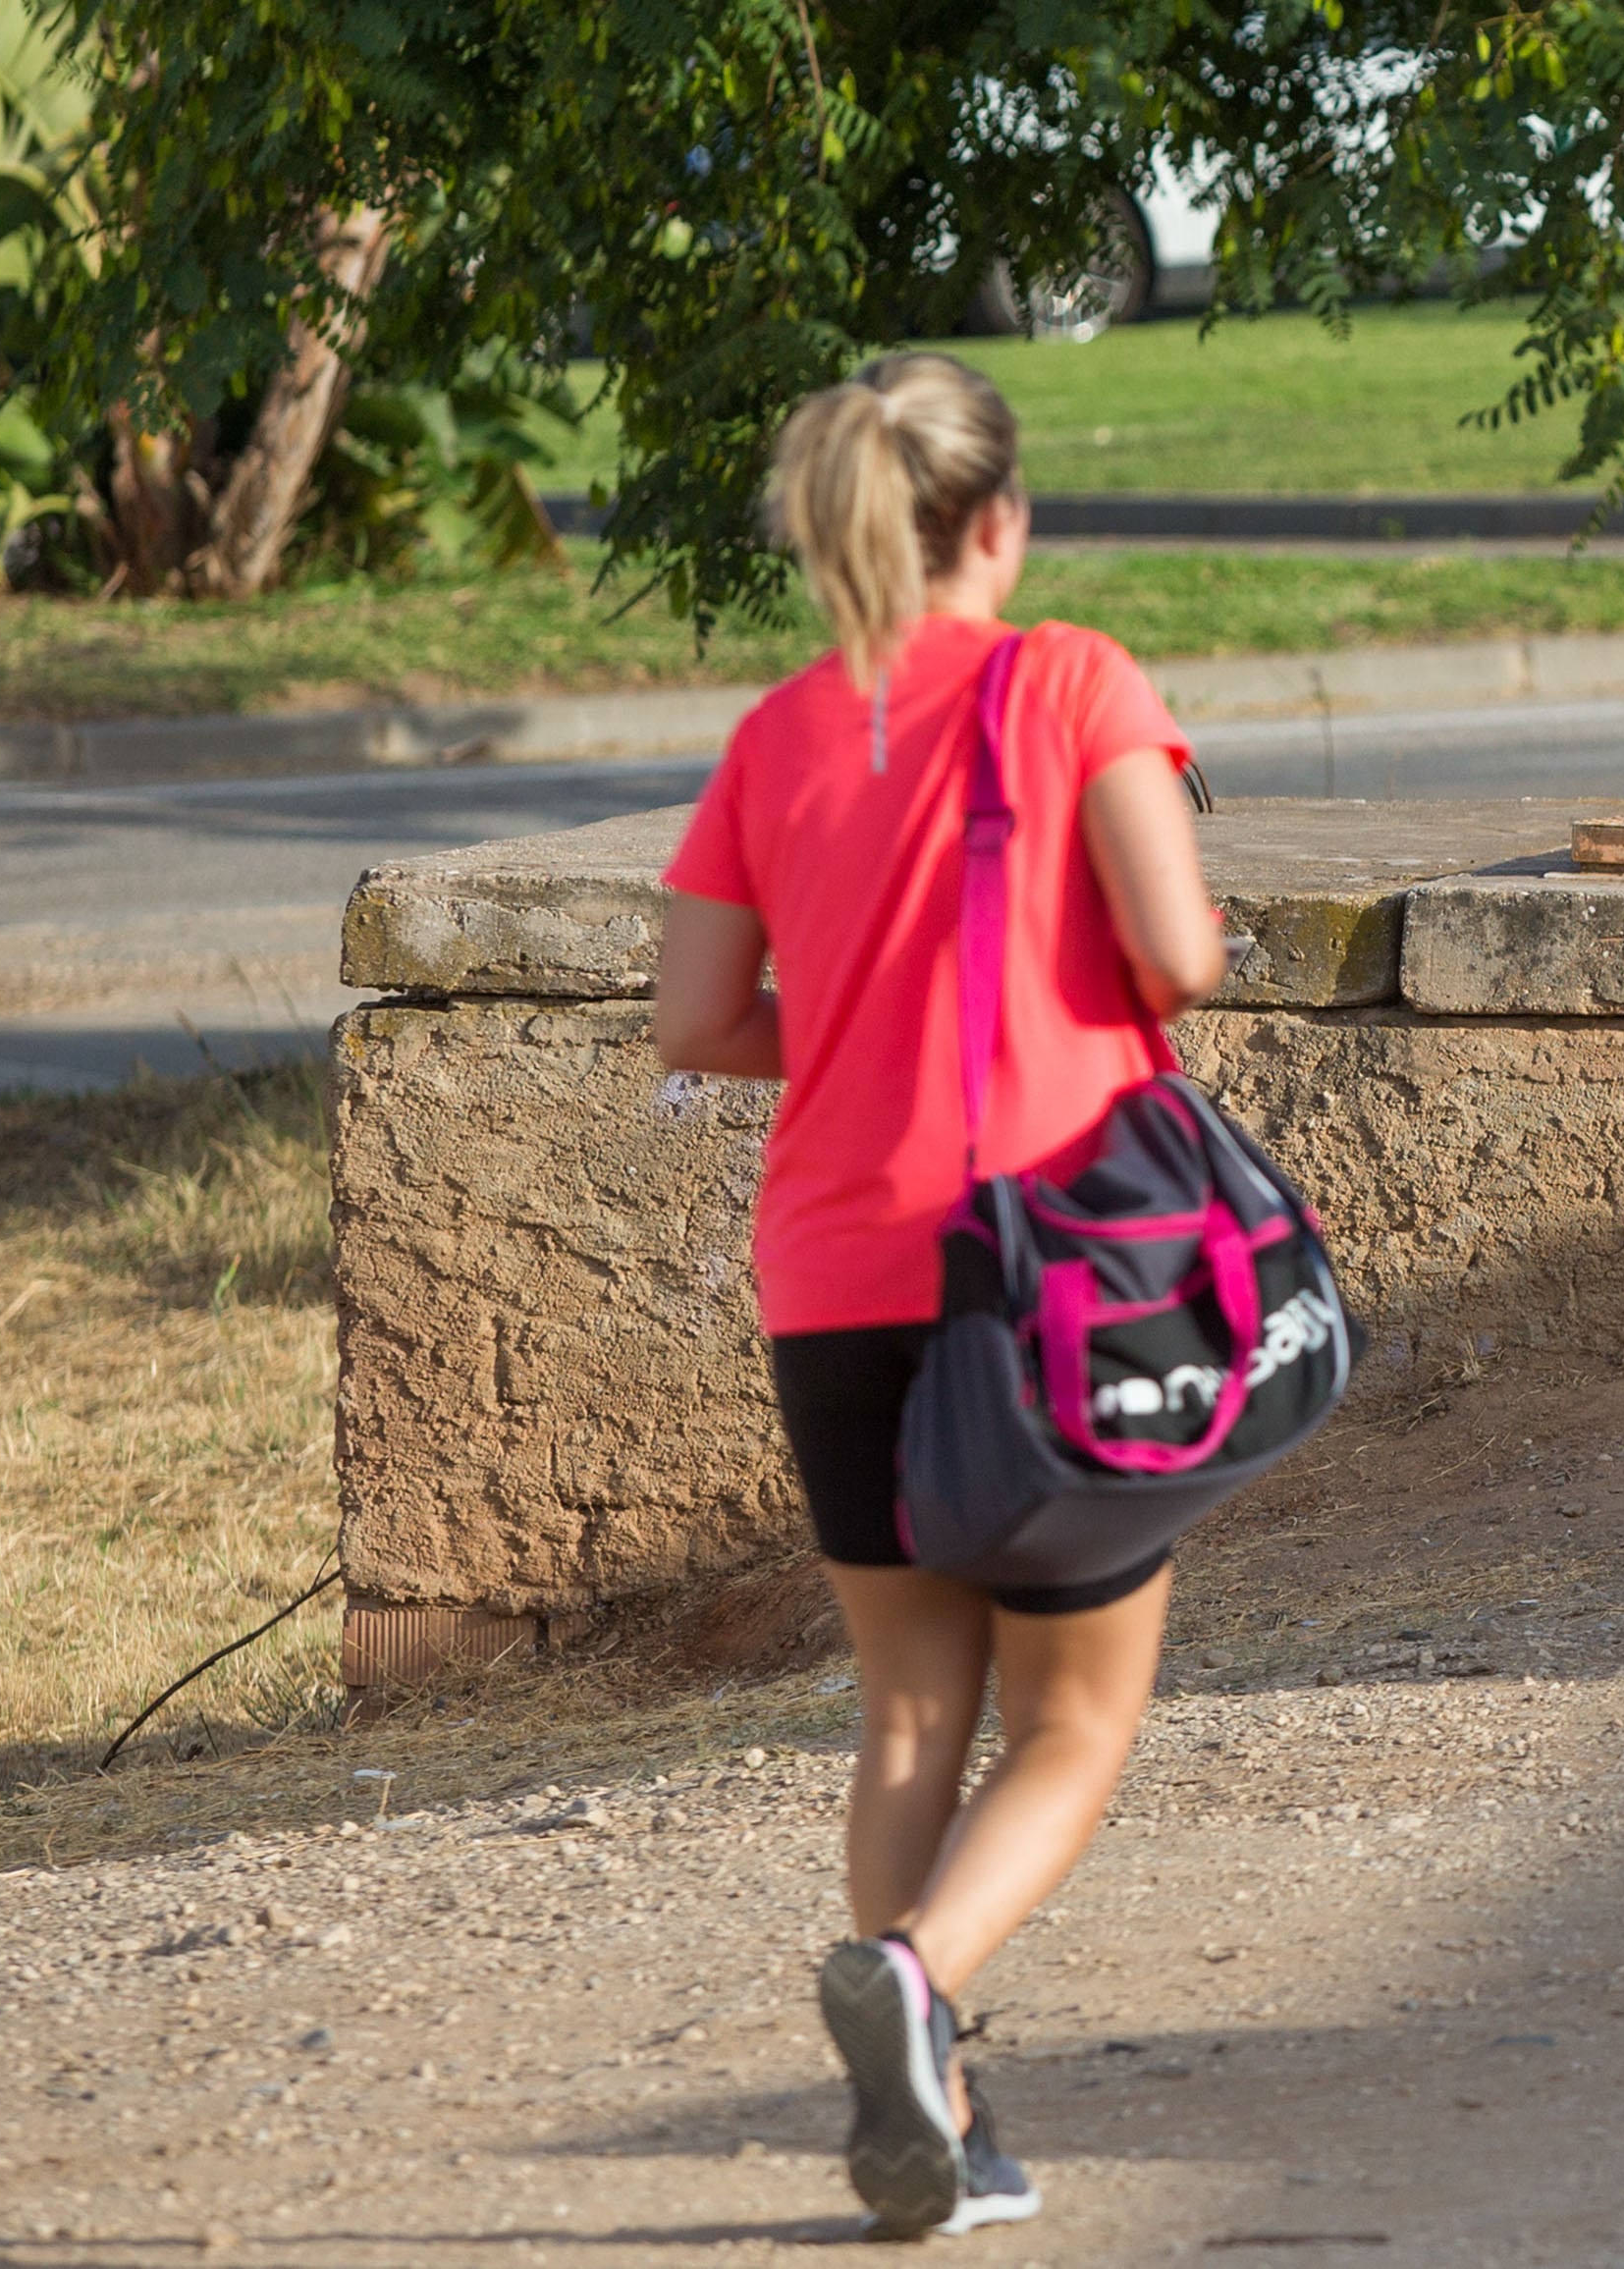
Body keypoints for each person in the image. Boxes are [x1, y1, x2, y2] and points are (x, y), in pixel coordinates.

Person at [652, 351, 1232, 2240]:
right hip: (1052, 1271)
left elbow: (695, 1022)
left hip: (834, 1273)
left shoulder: (772, 739)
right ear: (1001, 522)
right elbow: (1179, 954)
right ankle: (915, 1985)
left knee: (911, 1710)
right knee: (1073, 1720)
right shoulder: (1073, 681)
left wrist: (867, 1028)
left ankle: (942, 2116)